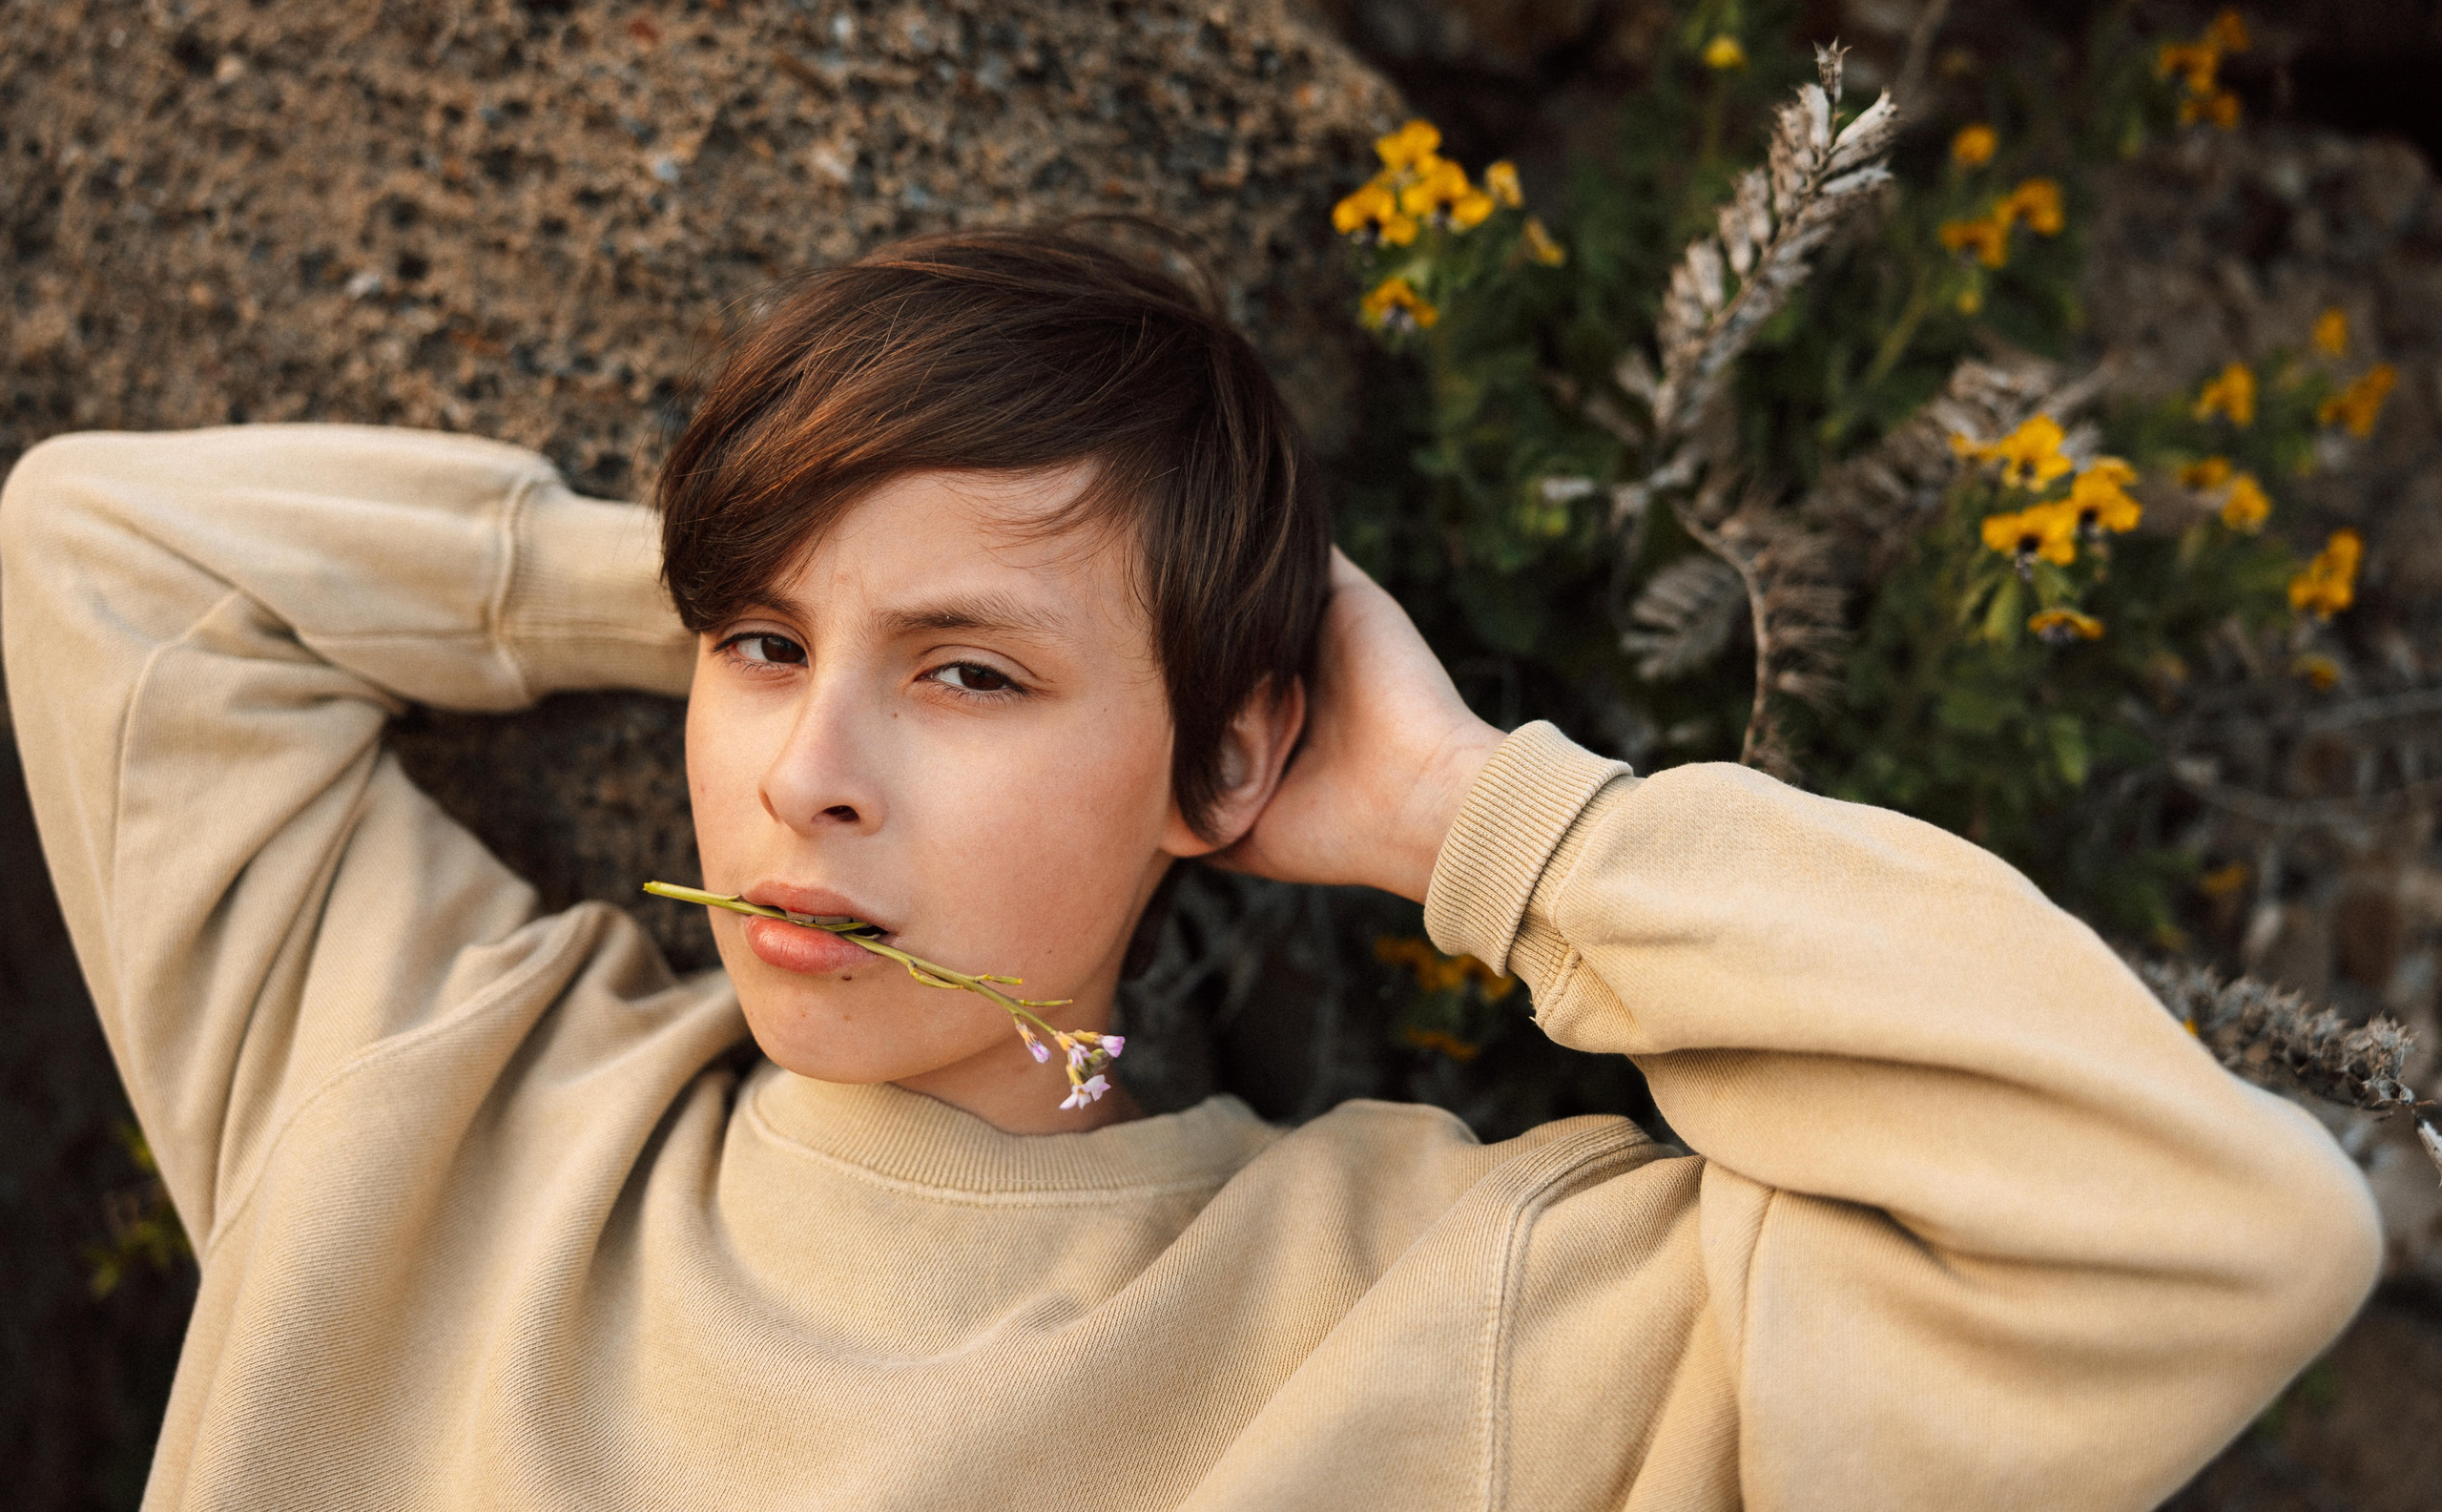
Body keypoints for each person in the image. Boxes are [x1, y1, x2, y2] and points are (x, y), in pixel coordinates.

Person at [1, 227, 2380, 1511]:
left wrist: (1471, 818)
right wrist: (773, 575)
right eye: (757, 658)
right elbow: (107, 553)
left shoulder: (1462, 1323)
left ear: (1224, 759)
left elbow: (2209, 1236)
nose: (805, 774)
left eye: (969, 682)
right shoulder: (431, 1106)